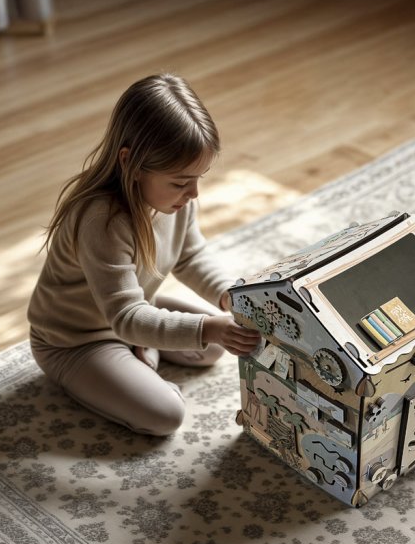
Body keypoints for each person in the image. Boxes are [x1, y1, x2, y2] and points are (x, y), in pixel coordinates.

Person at [28, 74, 260, 436]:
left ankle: (142, 349)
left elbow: (190, 256)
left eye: (199, 178)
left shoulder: (175, 201)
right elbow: (126, 316)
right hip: (75, 340)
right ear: (131, 164)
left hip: (130, 311)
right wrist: (207, 327)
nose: (193, 194)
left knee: (214, 348)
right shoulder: (101, 220)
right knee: (165, 415)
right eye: (181, 182)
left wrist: (229, 295)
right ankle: (134, 360)